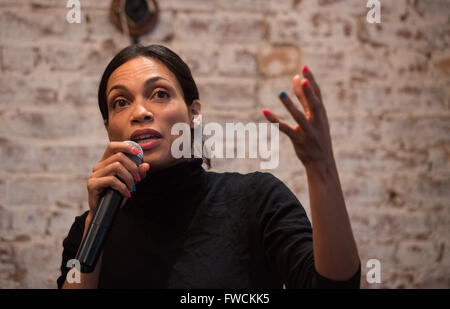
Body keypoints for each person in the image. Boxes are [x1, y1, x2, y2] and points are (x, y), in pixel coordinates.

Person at [57, 44, 361, 289]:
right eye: (120, 102)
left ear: (194, 115)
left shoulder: (256, 199)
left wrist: (321, 168)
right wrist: (95, 226)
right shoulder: (85, 231)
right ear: (109, 129)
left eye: (160, 94)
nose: (140, 112)